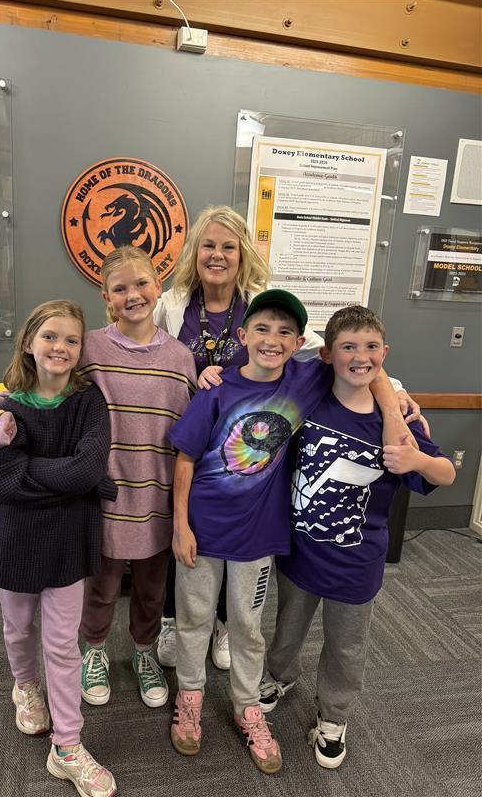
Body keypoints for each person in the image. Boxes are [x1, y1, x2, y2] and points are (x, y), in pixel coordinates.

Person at [166, 290, 409, 774]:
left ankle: (247, 707)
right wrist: (179, 527)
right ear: (242, 337)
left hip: (257, 540)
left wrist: (397, 410)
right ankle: (190, 698)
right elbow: (185, 459)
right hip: (202, 534)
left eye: (284, 333)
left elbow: (369, 366)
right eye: (261, 329)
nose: (272, 340)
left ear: (299, 342)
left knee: (247, 628)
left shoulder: (305, 377)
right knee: (193, 620)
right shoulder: (216, 392)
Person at [258, 305, 455, 770]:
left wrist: (417, 462)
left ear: (384, 354)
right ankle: (280, 675)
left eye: (370, 348)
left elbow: (445, 472)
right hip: (301, 551)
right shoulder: (311, 398)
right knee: (287, 626)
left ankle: (334, 715)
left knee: (347, 646)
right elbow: (273, 356)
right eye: (348, 347)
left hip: (356, 560)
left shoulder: (398, 423)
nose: (359, 356)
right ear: (328, 354)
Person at [153, 205, 325, 670]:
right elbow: (145, 352)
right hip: (188, 431)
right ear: (195, 251)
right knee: (187, 536)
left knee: (241, 545)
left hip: (247, 442)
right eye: (208, 244)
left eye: (228, 246)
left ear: (242, 253)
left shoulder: (261, 306)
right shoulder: (172, 304)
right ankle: (174, 619)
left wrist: (395, 395)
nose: (218, 254)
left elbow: (328, 352)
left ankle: (227, 626)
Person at [0, 300, 118, 797]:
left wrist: (38, 469)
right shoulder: (5, 410)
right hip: (16, 538)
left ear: (81, 349)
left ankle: (68, 747)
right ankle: (24, 685)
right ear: (30, 342)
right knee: (17, 627)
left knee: (62, 644)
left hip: (69, 542)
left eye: (72, 340)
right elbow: (2, 486)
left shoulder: (90, 401)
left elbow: (88, 469)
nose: (61, 347)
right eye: (51, 336)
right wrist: (71, 478)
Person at [77, 246, 196, 711]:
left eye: (141, 284)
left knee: (151, 586)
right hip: (105, 494)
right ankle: (95, 650)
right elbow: (40, 388)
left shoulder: (182, 357)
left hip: (159, 494)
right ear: (105, 298)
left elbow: (191, 431)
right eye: (120, 288)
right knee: (102, 585)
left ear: (159, 287)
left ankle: (145, 653)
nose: (133, 295)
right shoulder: (88, 347)